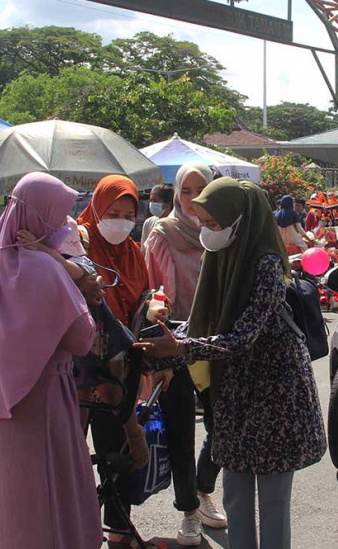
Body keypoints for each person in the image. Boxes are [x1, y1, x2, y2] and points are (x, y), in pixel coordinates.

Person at [136, 177, 327, 549]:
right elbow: (205, 316)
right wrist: (172, 335)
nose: (207, 232)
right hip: (234, 392)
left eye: (212, 224)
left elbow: (242, 336)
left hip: (275, 393)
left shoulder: (267, 264)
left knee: (273, 498)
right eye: (202, 223)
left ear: (239, 219)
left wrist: (181, 348)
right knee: (236, 493)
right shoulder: (218, 255)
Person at [0, 172, 101, 549]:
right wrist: (71, 275)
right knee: (48, 502)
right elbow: (82, 338)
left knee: (9, 502)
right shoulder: (43, 268)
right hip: (41, 402)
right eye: (57, 215)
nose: (62, 224)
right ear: (40, 216)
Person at [77, 175, 172, 548]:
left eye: (127, 213)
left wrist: (153, 307)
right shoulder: (77, 241)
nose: (119, 220)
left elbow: (143, 297)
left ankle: (118, 530)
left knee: (116, 452)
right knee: (71, 453)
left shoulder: (133, 253)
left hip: (119, 369)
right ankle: (76, 528)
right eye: (112, 212)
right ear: (97, 208)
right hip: (78, 369)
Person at [143, 161, 228, 540]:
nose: (194, 201)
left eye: (201, 191)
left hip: (213, 343)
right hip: (173, 341)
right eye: (187, 192)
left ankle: (203, 488)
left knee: (221, 426)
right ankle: (189, 511)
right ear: (177, 195)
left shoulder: (222, 235)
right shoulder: (163, 234)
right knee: (180, 431)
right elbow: (152, 294)